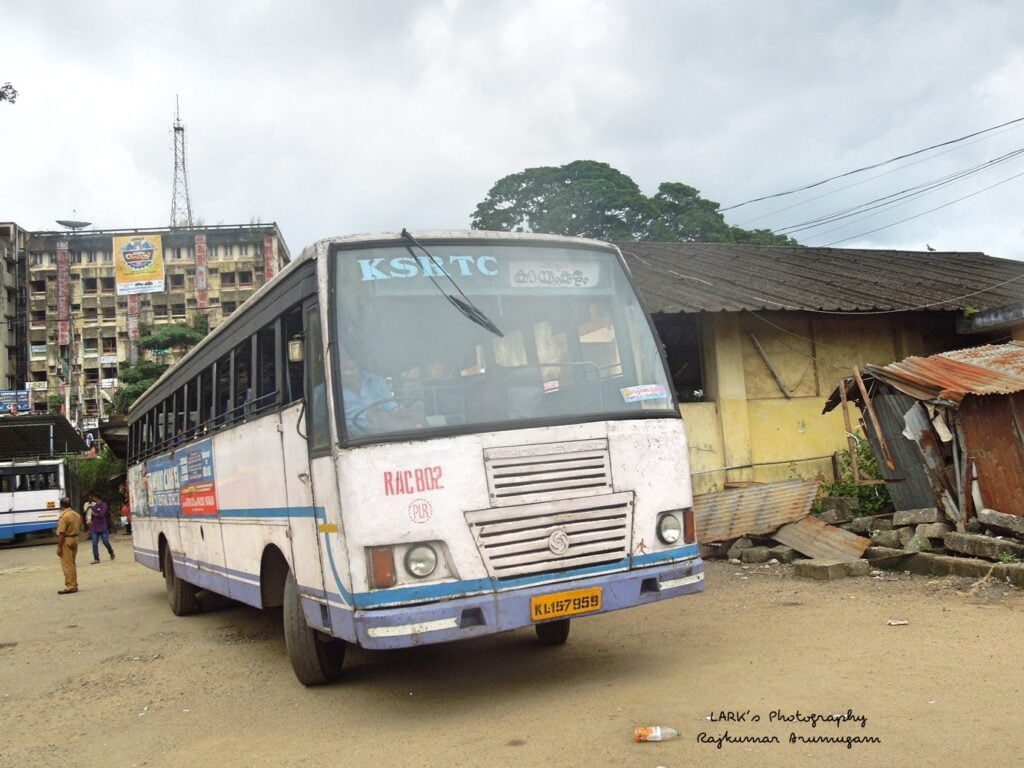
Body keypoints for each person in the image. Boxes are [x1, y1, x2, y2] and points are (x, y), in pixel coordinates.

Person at [56, 496, 81, 594]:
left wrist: (59, 547)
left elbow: (61, 533)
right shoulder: (76, 514)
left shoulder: (64, 516)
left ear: (61, 505)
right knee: (72, 563)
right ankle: (74, 584)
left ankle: (71, 586)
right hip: (75, 538)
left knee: (67, 565)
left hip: (66, 540)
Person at [88, 495, 115, 563]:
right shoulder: (94, 506)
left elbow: (101, 514)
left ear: (97, 498)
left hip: (103, 526)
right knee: (94, 543)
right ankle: (96, 558)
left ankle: (111, 551)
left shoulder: (104, 505)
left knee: (105, 541)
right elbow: (92, 516)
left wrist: (95, 514)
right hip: (95, 527)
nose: (93, 499)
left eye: (94, 498)